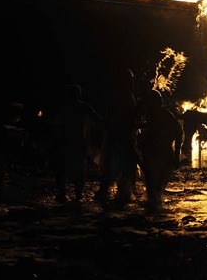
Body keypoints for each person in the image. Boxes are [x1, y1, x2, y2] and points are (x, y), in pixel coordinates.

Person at [135, 82, 183, 213]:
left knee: (154, 184)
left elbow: (178, 132)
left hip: (161, 155)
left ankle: (153, 209)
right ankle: (154, 208)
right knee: (154, 185)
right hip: (155, 154)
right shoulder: (154, 116)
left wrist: (177, 155)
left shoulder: (164, 115)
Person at [52, 84, 103, 203]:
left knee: (64, 169)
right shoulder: (82, 107)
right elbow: (98, 120)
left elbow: (57, 125)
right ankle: (77, 196)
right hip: (76, 144)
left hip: (70, 143)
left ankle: (65, 195)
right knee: (77, 170)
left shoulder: (67, 108)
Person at [96, 67, 139, 205]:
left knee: (112, 166)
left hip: (115, 136)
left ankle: (107, 192)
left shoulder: (116, 95)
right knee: (122, 166)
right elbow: (126, 119)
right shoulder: (125, 97)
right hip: (122, 136)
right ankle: (122, 194)